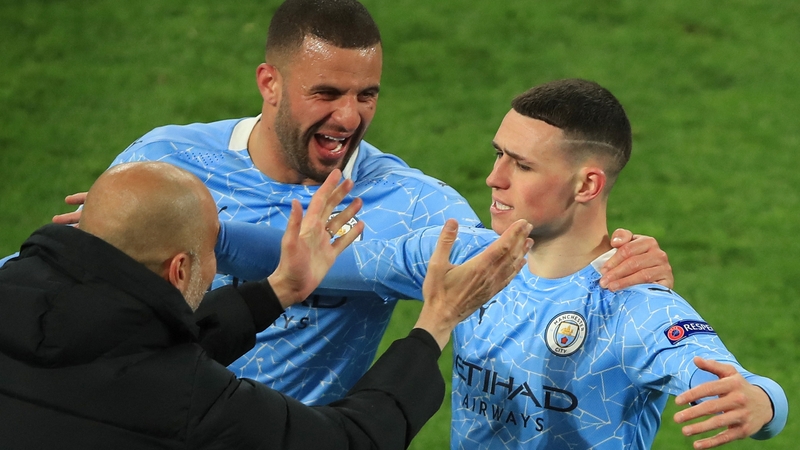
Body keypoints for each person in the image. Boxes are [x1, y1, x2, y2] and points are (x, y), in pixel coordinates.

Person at [50, 0, 674, 405]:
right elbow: (48, 296)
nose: (348, 117)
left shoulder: (411, 206)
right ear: (270, 83)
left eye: (367, 95)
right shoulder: (166, 161)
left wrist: (623, 269)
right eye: (326, 92)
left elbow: (521, 277)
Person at [214, 79, 788, 449]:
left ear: (587, 184)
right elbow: (309, 262)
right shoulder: (463, 257)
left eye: (521, 165)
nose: (494, 178)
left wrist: (762, 403)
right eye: (497, 154)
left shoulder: (632, 301)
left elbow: (729, 379)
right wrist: (196, 237)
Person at [0, 161, 534, 449]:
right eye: (213, 251)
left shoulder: (16, 290)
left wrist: (278, 290)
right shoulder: (186, 399)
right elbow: (349, 441)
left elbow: (121, 352)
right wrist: (434, 324)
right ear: (181, 270)